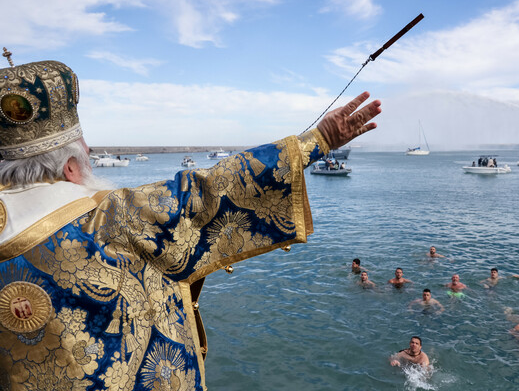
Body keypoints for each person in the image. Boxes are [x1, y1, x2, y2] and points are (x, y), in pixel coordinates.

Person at [0, 57, 381, 390]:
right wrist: (318, 140)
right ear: (70, 169)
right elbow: (209, 192)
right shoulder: (109, 219)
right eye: (86, 152)